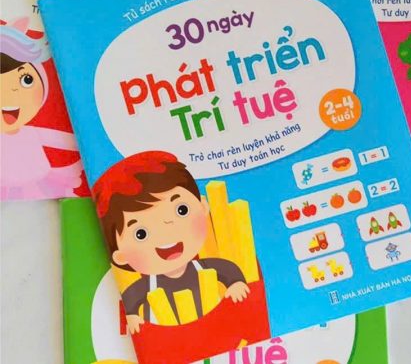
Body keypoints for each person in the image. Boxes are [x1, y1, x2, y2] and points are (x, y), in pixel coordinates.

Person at [92, 150, 250, 333]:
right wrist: (132, 315)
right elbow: (131, 297)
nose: (166, 231)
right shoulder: (146, 288)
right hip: (173, 342)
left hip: (221, 331)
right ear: (120, 256)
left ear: (203, 207)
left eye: (181, 210)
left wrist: (236, 283)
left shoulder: (207, 268)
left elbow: (228, 269)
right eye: (141, 233)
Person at [1, 19, 82, 199]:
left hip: (39, 183)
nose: (12, 91)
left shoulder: (32, 131)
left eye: (26, 80)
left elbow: (67, 140)